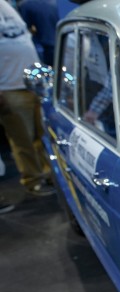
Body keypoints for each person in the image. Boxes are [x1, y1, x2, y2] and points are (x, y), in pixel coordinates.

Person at [0, 0, 55, 198]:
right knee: (23, 139)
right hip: (9, 88)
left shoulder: (9, 8)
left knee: (43, 135)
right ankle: (34, 180)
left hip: (36, 84)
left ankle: (49, 173)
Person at [18, 0, 58, 65]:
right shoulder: (52, 2)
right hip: (56, 44)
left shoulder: (26, 5)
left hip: (42, 48)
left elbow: (24, 28)